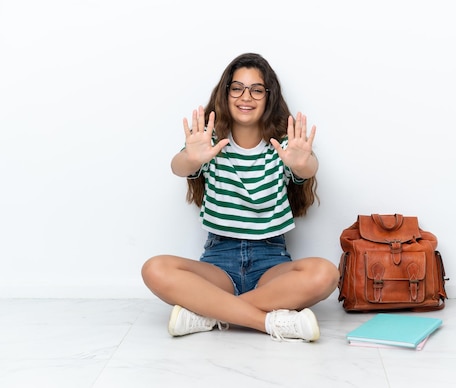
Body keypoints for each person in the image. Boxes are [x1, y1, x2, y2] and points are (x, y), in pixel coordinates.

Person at [141, 53, 339, 342]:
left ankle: (208, 314)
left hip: (270, 264)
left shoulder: (284, 146)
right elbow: (178, 166)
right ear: (226, 93)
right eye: (237, 88)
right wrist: (191, 158)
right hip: (218, 263)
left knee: (326, 273)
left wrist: (300, 164)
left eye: (256, 89)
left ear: (268, 97)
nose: (246, 96)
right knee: (154, 268)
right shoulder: (209, 143)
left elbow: (308, 169)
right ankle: (268, 322)